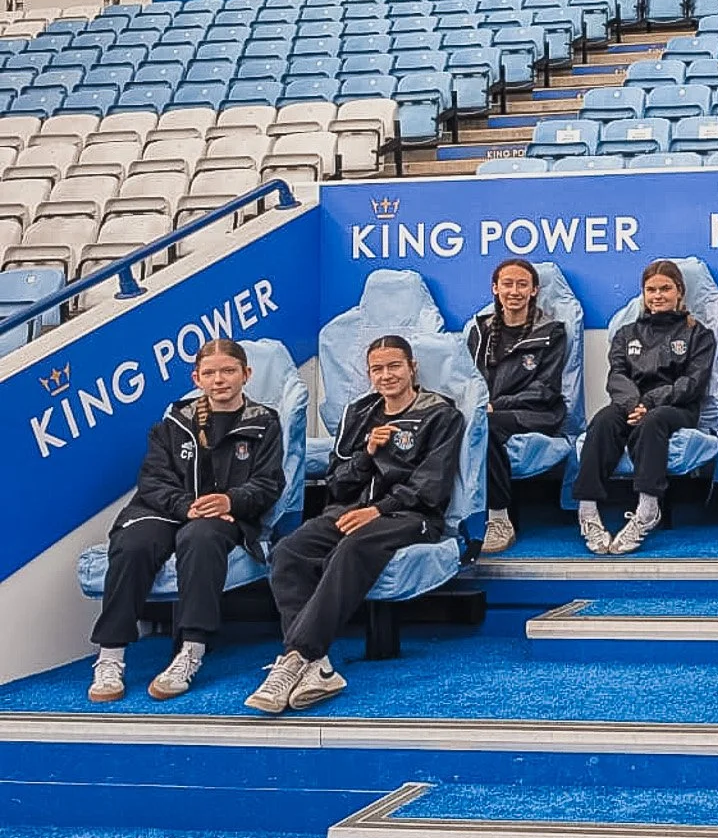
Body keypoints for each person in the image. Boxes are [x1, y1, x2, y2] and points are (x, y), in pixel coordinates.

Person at [247, 335, 464, 714]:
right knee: (288, 551)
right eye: (377, 369)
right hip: (351, 509)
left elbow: (432, 486)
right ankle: (318, 668)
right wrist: (366, 454)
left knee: (354, 544)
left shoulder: (441, 414)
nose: (386, 375)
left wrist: (378, 509)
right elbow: (336, 482)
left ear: (412, 368)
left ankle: (297, 657)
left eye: (394, 366)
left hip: (413, 516)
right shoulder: (359, 413)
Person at [87, 339, 285, 704]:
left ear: (246, 374)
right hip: (167, 509)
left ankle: (191, 650)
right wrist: (185, 506)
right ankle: (110, 655)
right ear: (197, 378)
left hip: (224, 516)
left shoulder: (264, 422)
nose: (219, 380)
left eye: (228, 371)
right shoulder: (173, 422)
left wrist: (231, 500)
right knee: (133, 543)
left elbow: (269, 483)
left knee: (201, 538)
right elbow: (153, 481)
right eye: (209, 373)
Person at [573, 259, 715, 555]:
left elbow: (692, 382)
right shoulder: (626, 334)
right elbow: (617, 375)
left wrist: (649, 403)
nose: (658, 295)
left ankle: (648, 509)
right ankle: (587, 511)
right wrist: (632, 404)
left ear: (680, 292)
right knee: (602, 421)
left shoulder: (699, 334)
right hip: (630, 403)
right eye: (651, 290)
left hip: (676, 408)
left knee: (654, 422)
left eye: (665, 288)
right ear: (643, 294)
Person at [465, 257, 570, 555]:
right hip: (489, 412)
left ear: (534, 290)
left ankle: (499, 517)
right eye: (507, 284)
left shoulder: (552, 332)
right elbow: (468, 378)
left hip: (539, 413)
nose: (515, 291)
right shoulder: (480, 331)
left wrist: (494, 406)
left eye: (522, 284)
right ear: (495, 288)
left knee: (487, 425)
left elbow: (546, 389)